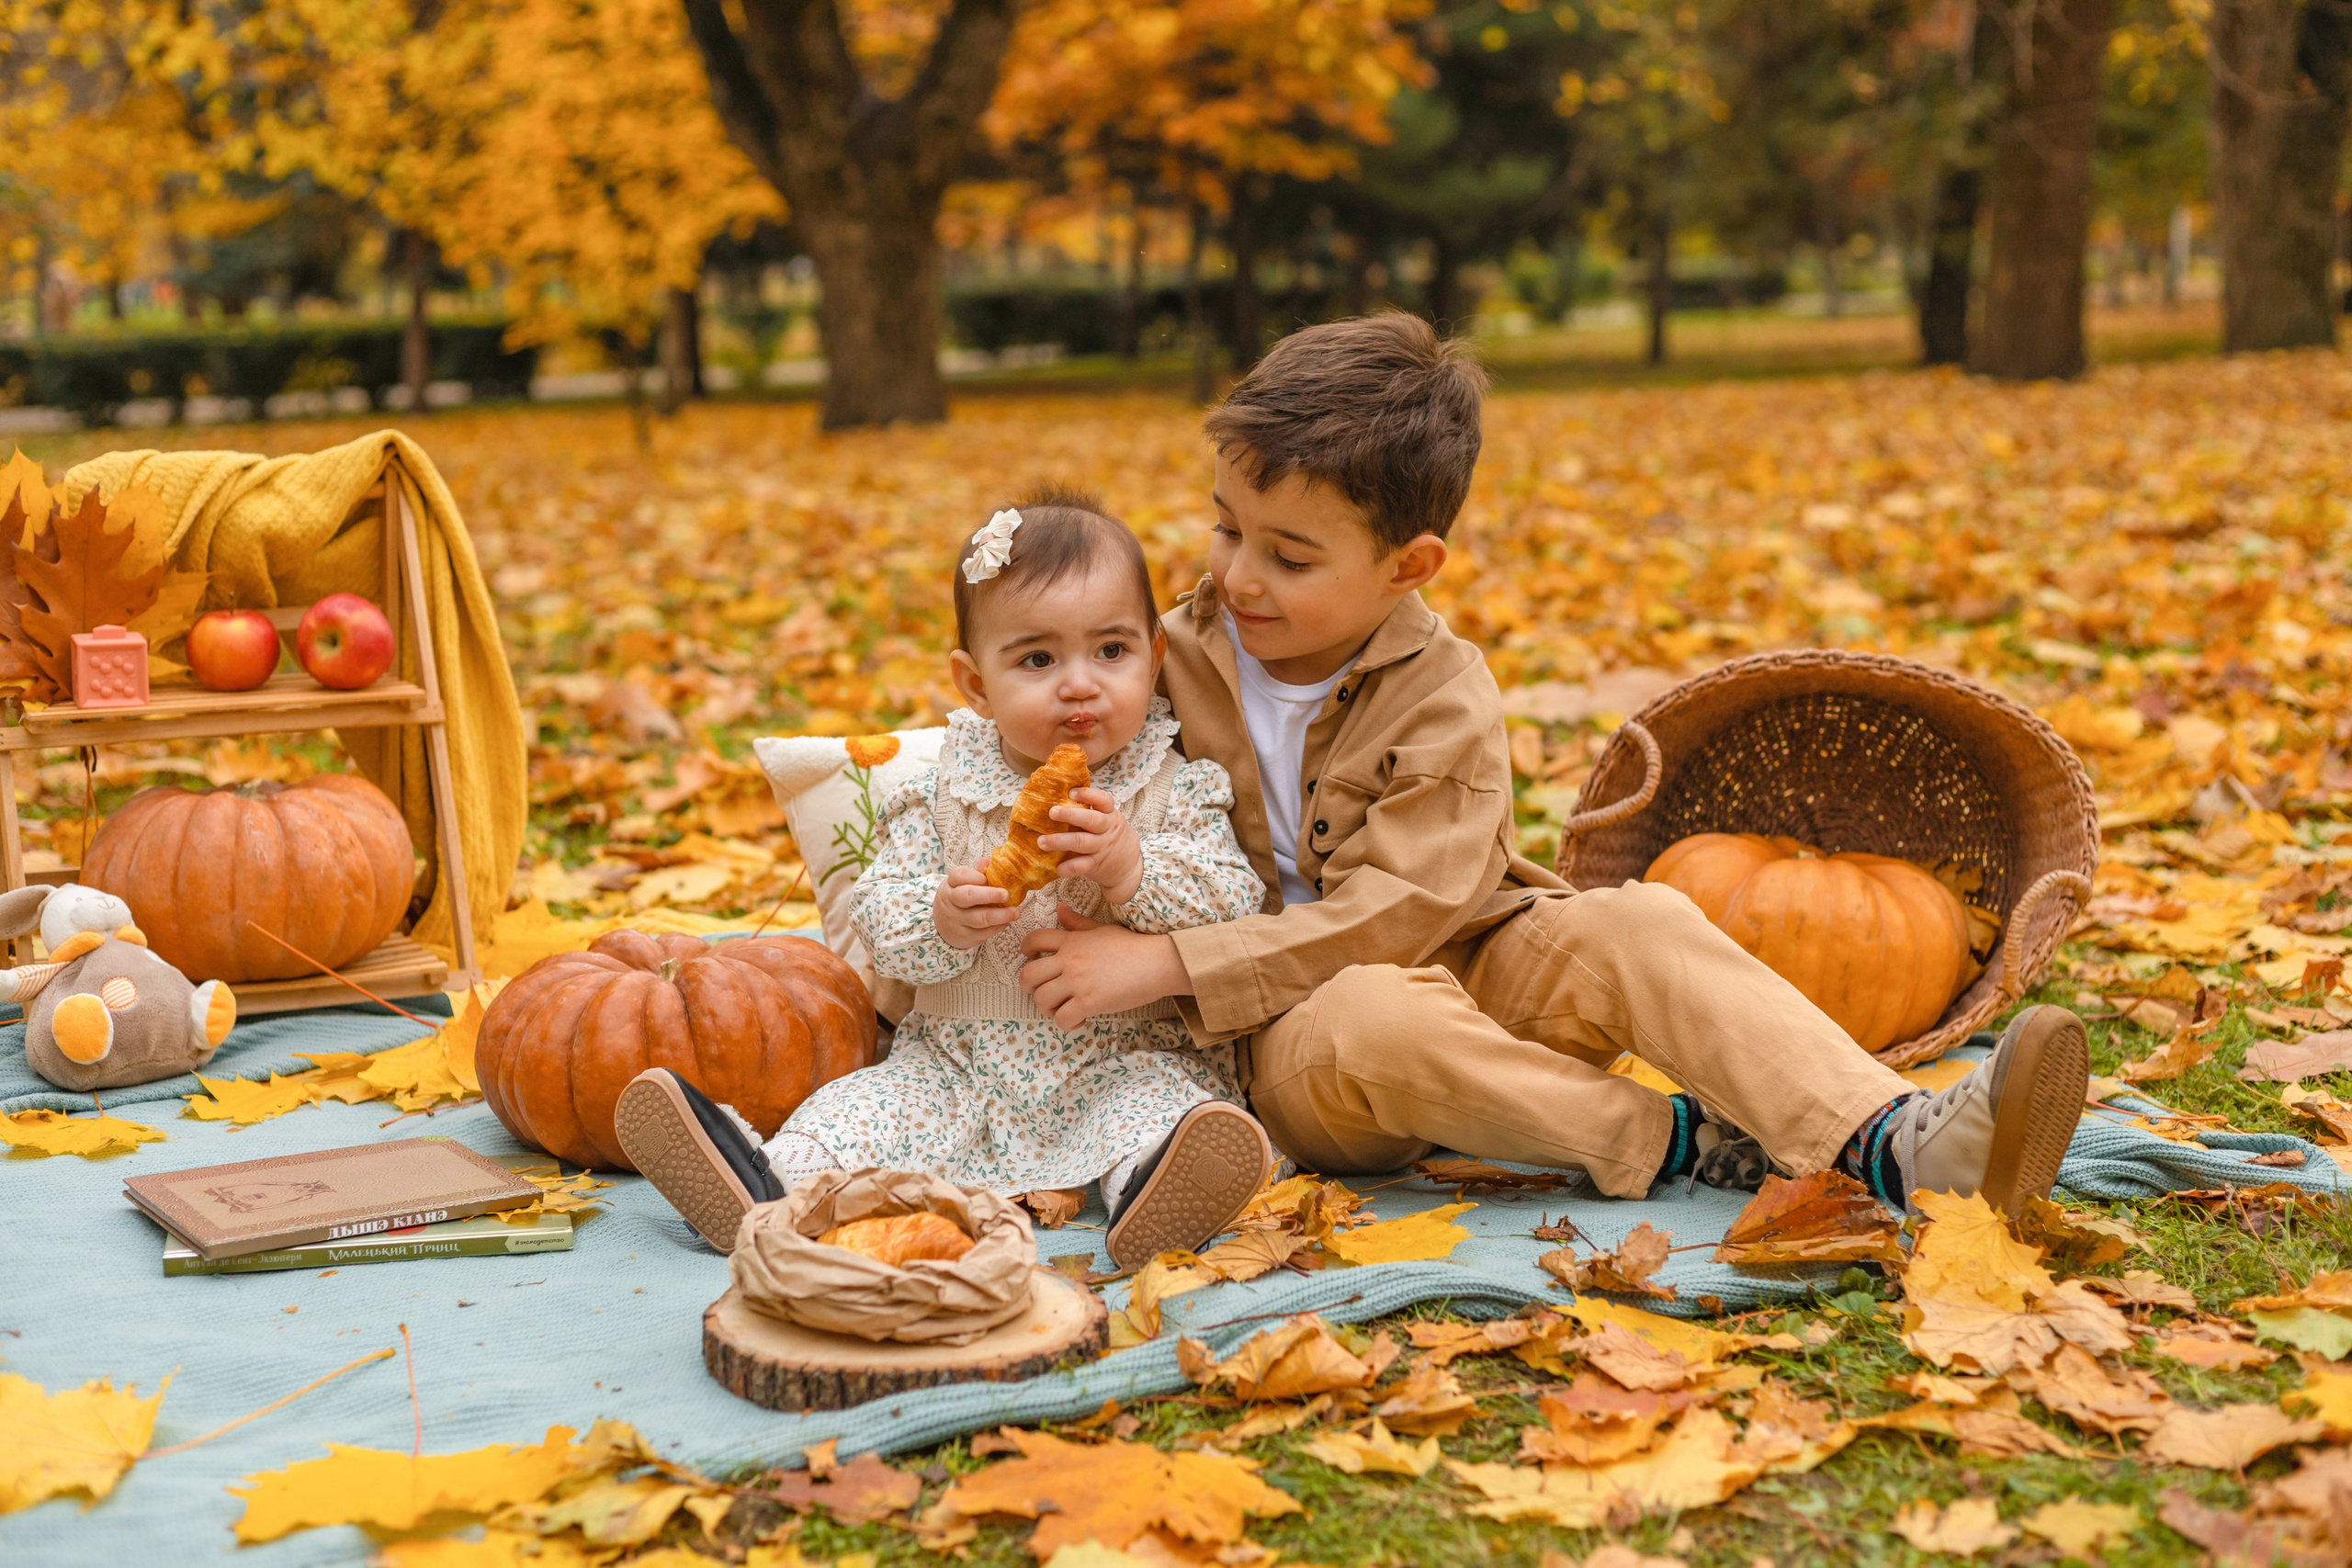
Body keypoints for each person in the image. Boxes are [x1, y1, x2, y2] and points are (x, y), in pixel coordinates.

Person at [1013, 313, 2088, 1216]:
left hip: (1460, 967)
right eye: (1226, 531)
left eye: (1289, 557)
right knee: (1378, 1017)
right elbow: (1005, 755)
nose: (1240, 576)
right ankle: (1674, 1138)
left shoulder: (1442, 692)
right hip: (1284, 1045)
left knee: (1643, 920)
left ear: (1408, 566)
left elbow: (1403, 912)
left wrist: (1171, 960)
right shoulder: (1156, 660)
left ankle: (1889, 1138)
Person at [616, 494, 1275, 1269]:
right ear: (975, 682)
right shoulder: (941, 793)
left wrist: (1133, 869)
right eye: (1038, 659)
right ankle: (764, 1179)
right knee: (862, 1108)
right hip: (957, 1069)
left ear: (1155, 657)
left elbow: (1233, 901)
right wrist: (941, 917)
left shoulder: (1175, 786)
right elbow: (880, 916)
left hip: (1125, 1055)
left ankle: (1153, 1186)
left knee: (1158, 1107)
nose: (1079, 684)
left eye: (1110, 650)